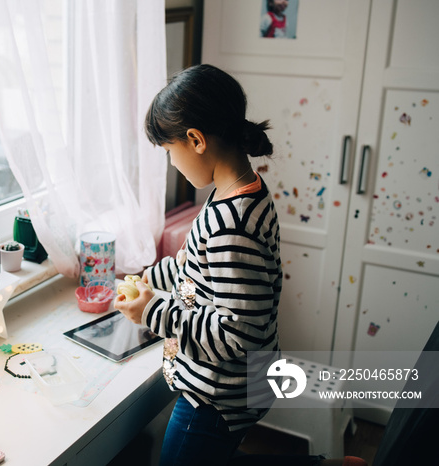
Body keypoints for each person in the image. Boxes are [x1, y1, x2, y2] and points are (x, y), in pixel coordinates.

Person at [114, 64, 366, 466]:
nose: (172, 164)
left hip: (218, 395)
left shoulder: (229, 224)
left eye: (169, 153)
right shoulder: (240, 193)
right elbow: (197, 270)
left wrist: (151, 311)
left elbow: (236, 336)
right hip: (239, 386)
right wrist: (149, 277)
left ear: (196, 140)